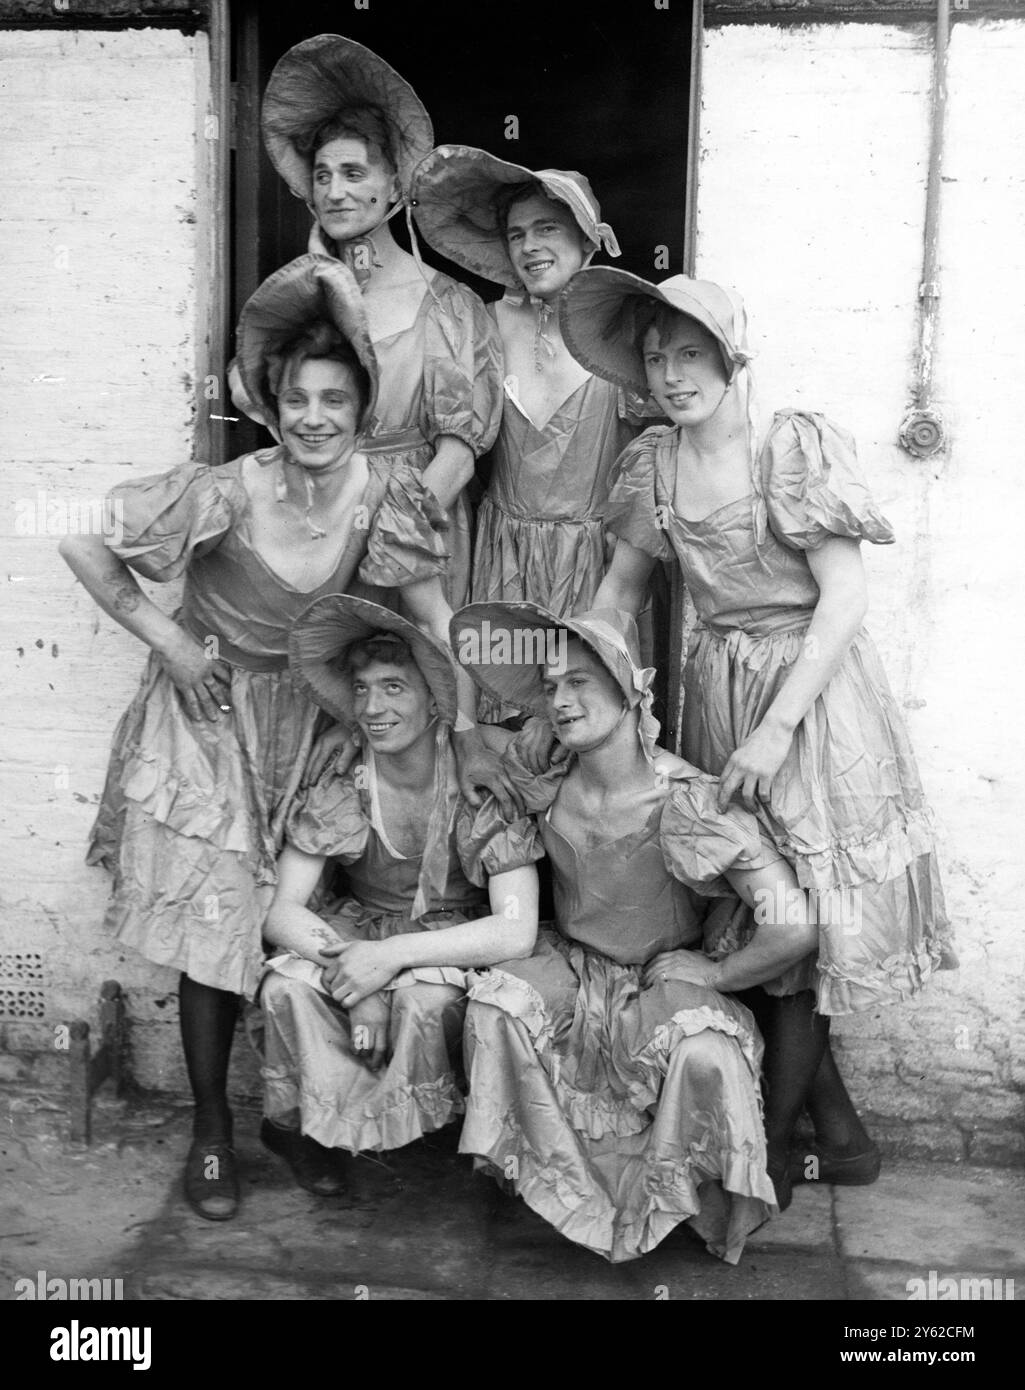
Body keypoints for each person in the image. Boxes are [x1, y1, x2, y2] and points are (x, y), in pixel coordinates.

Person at [60, 255, 505, 1224]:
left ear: (359, 407)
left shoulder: (387, 496)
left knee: (291, 920)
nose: (312, 416)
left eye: (333, 399)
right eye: (296, 397)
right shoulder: (225, 488)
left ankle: (290, 1122)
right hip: (208, 719)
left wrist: (469, 724)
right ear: (272, 404)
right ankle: (212, 1129)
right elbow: (82, 539)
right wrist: (172, 638)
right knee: (215, 924)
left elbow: (431, 611)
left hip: (310, 719)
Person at [557, 268, 956, 1202]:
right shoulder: (654, 463)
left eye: (689, 353)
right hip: (717, 689)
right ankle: (839, 1135)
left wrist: (776, 732)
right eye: (655, 359)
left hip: (814, 700)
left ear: (728, 358)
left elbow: (846, 598)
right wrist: (585, 674)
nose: (671, 375)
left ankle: (768, 1154)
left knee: (818, 915)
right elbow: (619, 591)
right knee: (760, 907)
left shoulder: (789, 446)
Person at [450, 600, 826, 1262]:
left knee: (705, 1053)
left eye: (579, 682)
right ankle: (555, 1191)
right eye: (549, 686)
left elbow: (793, 926)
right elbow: (475, 751)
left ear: (629, 691)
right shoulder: (541, 783)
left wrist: (714, 976)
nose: (560, 700)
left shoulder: (684, 797)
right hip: (573, 968)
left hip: (661, 974)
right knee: (492, 1010)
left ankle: (679, 1204)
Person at [255, 596, 541, 1191]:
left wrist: (389, 963)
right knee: (286, 987)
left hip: (447, 934)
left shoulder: (475, 775)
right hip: (361, 929)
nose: (372, 707)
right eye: (361, 690)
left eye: (393, 688)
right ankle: (313, 1131)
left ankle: (430, 1139)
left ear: (435, 698)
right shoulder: (344, 772)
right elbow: (281, 908)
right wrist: (356, 978)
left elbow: (516, 929)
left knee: (425, 1005)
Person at [253, 35, 504, 608]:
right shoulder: (299, 299)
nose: (335, 192)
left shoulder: (446, 305)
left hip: (416, 531)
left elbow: (458, 456)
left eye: (353, 173)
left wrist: (382, 540)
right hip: (319, 531)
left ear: (394, 184)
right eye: (321, 176)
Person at [411, 150, 657, 682]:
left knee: (588, 712)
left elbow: (657, 461)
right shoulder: (483, 323)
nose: (529, 245)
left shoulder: (628, 328)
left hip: (598, 566)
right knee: (506, 707)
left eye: (547, 227)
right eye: (516, 234)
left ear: (587, 239)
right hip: (504, 559)